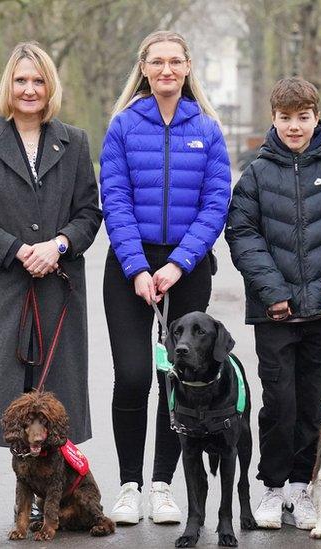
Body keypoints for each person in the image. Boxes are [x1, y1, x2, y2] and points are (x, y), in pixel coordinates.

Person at [0, 42, 102, 535]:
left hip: (58, 285)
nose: (30, 90)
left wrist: (57, 245)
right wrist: (18, 249)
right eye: (21, 81)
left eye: (38, 81)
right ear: (8, 87)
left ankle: (46, 501)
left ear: (50, 87)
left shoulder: (74, 142)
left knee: (54, 394)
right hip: (1, 287)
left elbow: (88, 213)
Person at [99, 30, 231, 525]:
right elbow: (115, 198)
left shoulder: (208, 128)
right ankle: (129, 485)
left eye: (176, 61)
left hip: (188, 270)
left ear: (188, 67)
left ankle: (162, 485)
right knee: (133, 376)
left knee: (175, 377)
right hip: (129, 271)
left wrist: (178, 265)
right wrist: (138, 268)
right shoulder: (124, 126)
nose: (167, 70)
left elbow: (215, 203)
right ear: (145, 68)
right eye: (158, 62)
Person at [226, 77, 321, 530]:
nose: (294, 127)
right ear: (274, 119)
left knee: (311, 405)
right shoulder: (257, 175)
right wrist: (275, 293)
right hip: (276, 316)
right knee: (278, 404)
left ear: (315, 117)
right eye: (285, 119)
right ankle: (272, 487)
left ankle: (304, 489)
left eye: (303, 118)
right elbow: (243, 235)